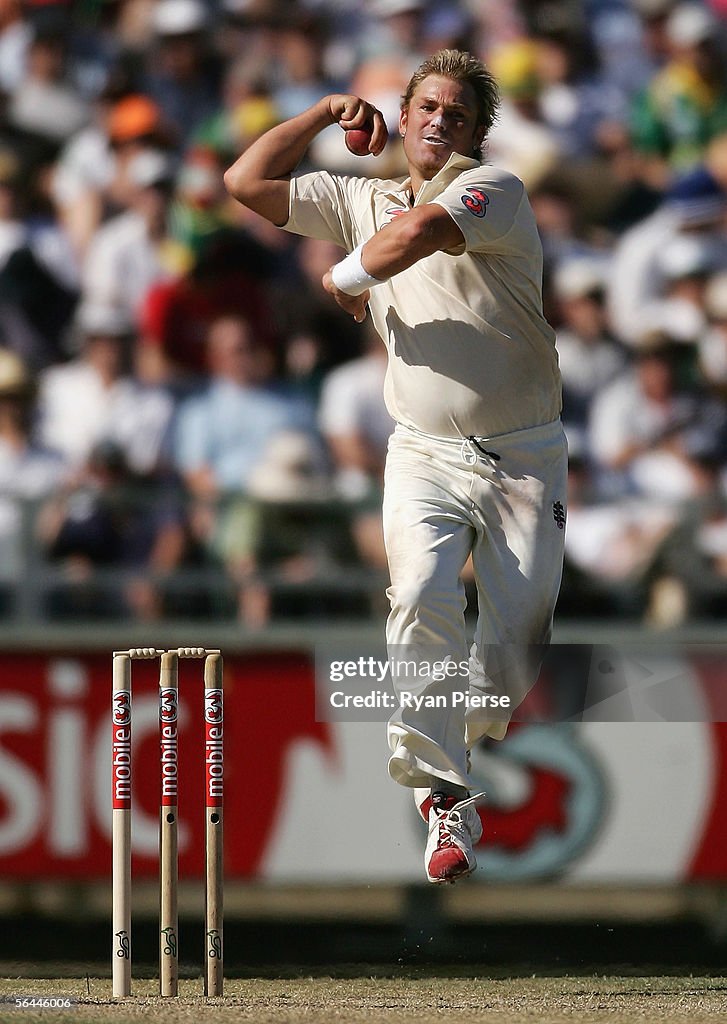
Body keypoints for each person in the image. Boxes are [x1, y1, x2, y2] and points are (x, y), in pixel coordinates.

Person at [224, 48, 567, 885]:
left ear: (476, 132)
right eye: (426, 108)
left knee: (511, 656)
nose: (439, 122)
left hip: (524, 458)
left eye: (456, 113)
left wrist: (342, 277)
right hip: (421, 451)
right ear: (403, 115)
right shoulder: (359, 197)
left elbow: (417, 235)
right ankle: (442, 794)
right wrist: (320, 111)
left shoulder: (494, 190)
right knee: (417, 594)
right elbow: (245, 182)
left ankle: (467, 736)